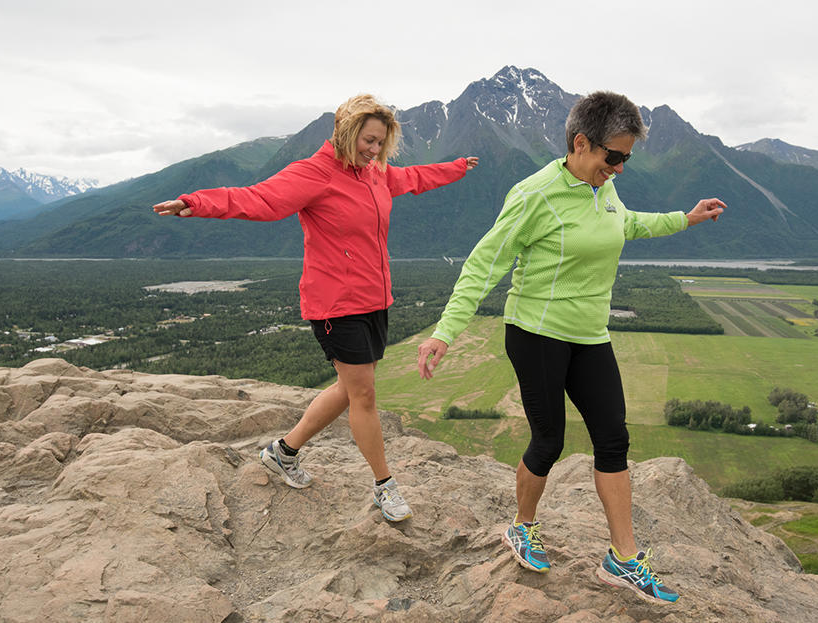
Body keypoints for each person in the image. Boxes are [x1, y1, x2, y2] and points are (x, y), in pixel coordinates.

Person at [416, 91, 725, 602]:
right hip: (536, 333)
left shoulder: (603, 188)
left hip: (589, 333)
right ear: (581, 143)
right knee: (549, 440)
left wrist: (684, 218)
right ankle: (521, 524)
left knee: (613, 438)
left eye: (626, 158)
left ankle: (622, 560)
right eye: (614, 156)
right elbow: (483, 264)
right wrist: (445, 332)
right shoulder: (534, 194)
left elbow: (624, 225)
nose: (620, 168)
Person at [154, 94, 479, 523]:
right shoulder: (315, 173)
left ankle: (282, 452)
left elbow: (414, 177)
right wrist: (195, 202)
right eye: (367, 141)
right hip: (334, 304)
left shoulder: (376, 174)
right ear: (346, 133)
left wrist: (455, 168)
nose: (374, 151)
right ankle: (385, 486)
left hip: (374, 301)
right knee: (363, 393)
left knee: (348, 390)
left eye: (381, 143)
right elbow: (258, 199)